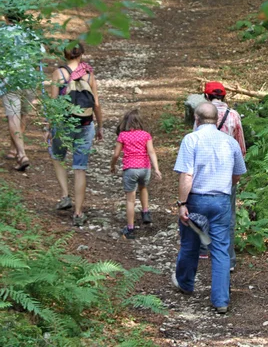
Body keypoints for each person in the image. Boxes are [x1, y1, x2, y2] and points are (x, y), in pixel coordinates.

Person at [173, 102, 246, 314]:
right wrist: (225, 185)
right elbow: (238, 174)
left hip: (196, 199)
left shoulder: (191, 139)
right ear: (216, 119)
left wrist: (182, 203)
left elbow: (186, 175)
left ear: (196, 119)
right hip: (221, 200)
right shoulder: (230, 142)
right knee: (221, 249)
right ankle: (221, 300)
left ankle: (186, 284)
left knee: (190, 244)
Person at [46, 42, 103, 226]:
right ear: (81, 54)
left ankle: (64, 195)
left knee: (57, 155)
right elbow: (96, 103)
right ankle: (78, 213)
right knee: (80, 168)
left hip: (63, 124)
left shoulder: (59, 73)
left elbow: (54, 104)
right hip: (85, 123)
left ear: (65, 54)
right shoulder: (88, 72)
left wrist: (48, 128)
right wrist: (100, 126)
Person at [197, 81, 246, 270]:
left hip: (205, 170)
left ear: (207, 97)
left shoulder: (202, 114)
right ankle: (229, 259)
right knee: (229, 215)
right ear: (224, 96)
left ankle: (203, 248)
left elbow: (196, 138)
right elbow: (241, 147)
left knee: (201, 209)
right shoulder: (233, 115)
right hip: (227, 171)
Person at [110, 108, 162, 239]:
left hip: (130, 169)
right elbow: (151, 152)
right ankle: (146, 212)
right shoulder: (145, 135)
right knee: (143, 188)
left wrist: (112, 165)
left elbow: (116, 154)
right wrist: (156, 169)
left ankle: (130, 228)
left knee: (130, 199)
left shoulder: (122, 135)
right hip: (145, 169)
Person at [1, 10, 42, 171]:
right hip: (29, 79)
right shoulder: (31, 34)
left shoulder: (2, 33)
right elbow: (39, 57)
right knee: (22, 115)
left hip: (10, 81)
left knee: (13, 117)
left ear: (5, 17)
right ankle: (13, 150)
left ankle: (22, 153)